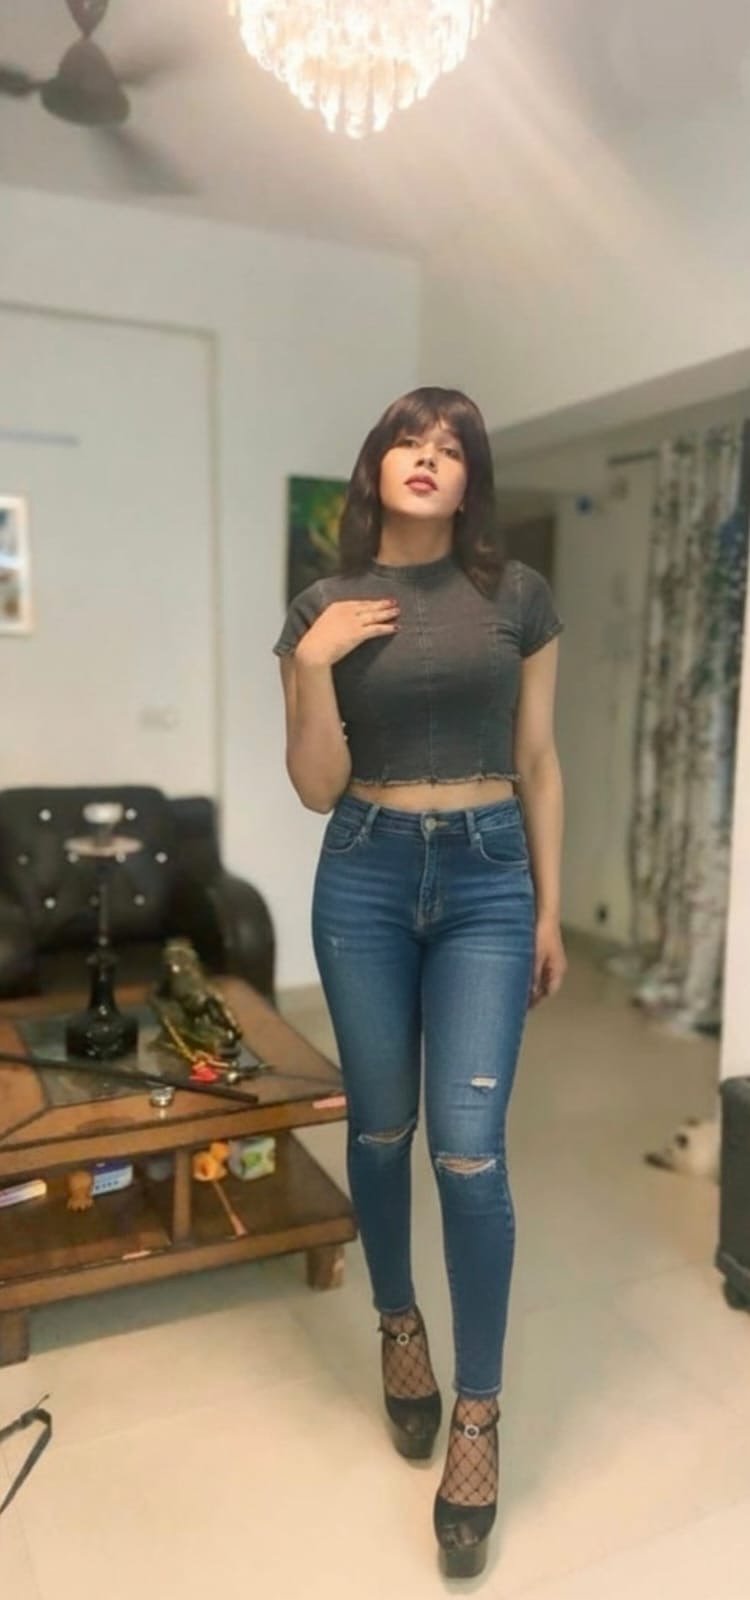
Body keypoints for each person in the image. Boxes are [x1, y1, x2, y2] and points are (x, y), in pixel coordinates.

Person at [273, 386, 566, 1579]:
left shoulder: (518, 596)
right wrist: (311, 665)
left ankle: (478, 1416)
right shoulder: (322, 607)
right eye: (411, 440)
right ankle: (399, 1322)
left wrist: (549, 905)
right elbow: (312, 785)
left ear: (470, 478)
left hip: (491, 872)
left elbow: (538, 755)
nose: (430, 458)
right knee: (382, 1127)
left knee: (470, 1150)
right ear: (377, 467)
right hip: (366, 868)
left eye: (453, 447)